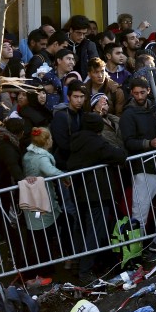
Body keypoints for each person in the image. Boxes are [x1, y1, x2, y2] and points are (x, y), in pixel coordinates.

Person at [67, 112, 127, 283]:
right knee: (95, 232)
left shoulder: (77, 140)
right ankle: (85, 271)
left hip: (81, 194)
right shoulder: (95, 142)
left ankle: (88, 265)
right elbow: (117, 155)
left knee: (84, 230)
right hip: (96, 194)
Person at [120, 77, 156, 248]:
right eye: (136, 93)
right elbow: (128, 142)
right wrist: (149, 143)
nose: (139, 96)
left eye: (142, 92)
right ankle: (137, 250)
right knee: (140, 215)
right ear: (131, 93)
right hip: (142, 169)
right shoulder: (128, 114)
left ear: (149, 91)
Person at [22, 127, 67, 282]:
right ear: (47, 141)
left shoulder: (28, 155)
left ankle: (40, 269)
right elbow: (51, 171)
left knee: (38, 236)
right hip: (41, 201)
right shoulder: (41, 158)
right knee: (42, 237)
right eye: (51, 138)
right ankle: (44, 270)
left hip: (33, 199)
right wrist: (65, 177)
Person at [49, 80, 87, 168]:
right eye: (76, 97)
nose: (79, 100)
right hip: (64, 164)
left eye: (82, 97)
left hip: (77, 162)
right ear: (68, 97)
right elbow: (63, 144)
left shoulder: (82, 113)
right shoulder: (60, 116)